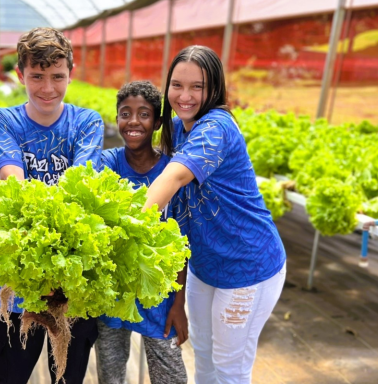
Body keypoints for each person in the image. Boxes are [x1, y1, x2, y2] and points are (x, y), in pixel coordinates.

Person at [142, 45, 287, 384]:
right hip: (206, 267)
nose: (185, 95)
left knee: (229, 368)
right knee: (204, 357)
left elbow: (175, 177)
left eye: (198, 87)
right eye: (177, 85)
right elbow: (177, 214)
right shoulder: (178, 129)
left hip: (247, 267)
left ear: (215, 90)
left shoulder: (217, 127)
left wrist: (131, 223)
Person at [0, 27, 105, 384]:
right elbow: (13, 182)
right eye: (36, 76)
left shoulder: (87, 122)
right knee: (10, 375)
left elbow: (83, 187)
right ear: (19, 74)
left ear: (71, 72)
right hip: (19, 283)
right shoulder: (2, 121)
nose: (48, 88)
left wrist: (59, 268)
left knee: (69, 376)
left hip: (74, 285)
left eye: (57, 76)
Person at [95, 81, 188, 384]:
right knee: (111, 374)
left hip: (159, 297)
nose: (133, 121)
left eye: (144, 114)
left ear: (158, 122)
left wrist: (178, 303)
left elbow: (181, 244)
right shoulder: (107, 164)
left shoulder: (174, 170)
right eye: (125, 113)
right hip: (112, 293)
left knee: (171, 375)